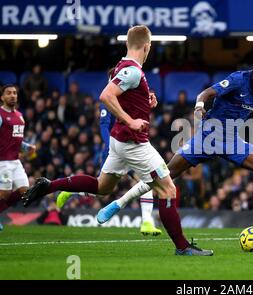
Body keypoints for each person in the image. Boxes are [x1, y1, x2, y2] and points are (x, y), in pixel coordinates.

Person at [21, 25, 208, 255]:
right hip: (133, 142)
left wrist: (144, 101)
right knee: (168, 189)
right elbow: (106, 96)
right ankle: (183, 247)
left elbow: (122, 94)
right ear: (147, 46)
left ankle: (49, 185)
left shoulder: (122, 66)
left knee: (103, 186)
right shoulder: (133, 71)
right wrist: (130, 120)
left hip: (118, 141)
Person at [98, 50, 253, 244]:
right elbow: (206, 94)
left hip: (232, 140)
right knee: (163, 174)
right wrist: (199, 107)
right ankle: (118, 203)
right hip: (208, 137)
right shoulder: (237, 80)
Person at [56, 99, 162, 236]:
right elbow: (104, 126)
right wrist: (110, 145)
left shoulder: (131, 95)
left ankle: (147, 222)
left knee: (148, 180)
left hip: (132, 146)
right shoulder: (109, 99)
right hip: (115, 149)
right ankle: (72, 190)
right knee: (103, 189)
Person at [0, 84, 36, 231]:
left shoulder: (20, 116)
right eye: (8, 93)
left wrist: (28, 147)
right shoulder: (0, 115)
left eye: (14, 93)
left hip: (15, 161)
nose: (12, 95)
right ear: (2, 97)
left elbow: (17, 140)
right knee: (4, 193)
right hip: (3, 162)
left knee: (25, 192)